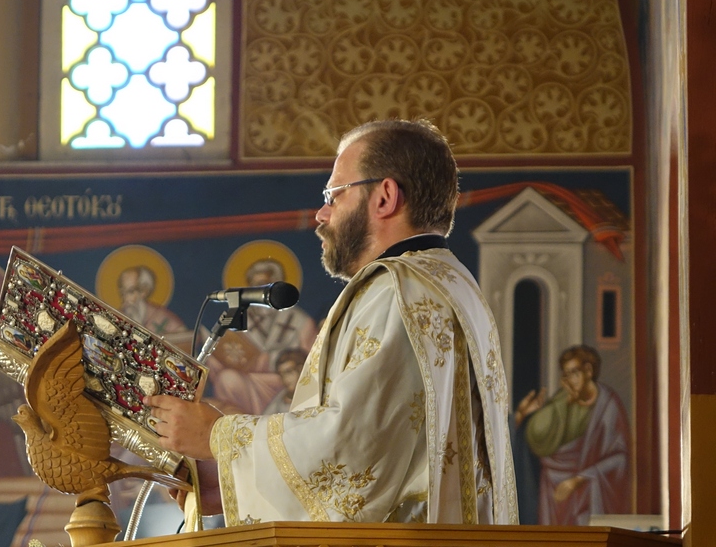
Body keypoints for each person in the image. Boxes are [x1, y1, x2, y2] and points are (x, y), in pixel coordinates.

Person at [147, 119, 518, 525]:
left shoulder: (396, 289)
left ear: (385, 196)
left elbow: (349, 450)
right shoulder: (452, 283)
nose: (322, 214)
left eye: (334, 194)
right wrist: (229, 477)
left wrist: (219, 437)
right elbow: (395, 455)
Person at [514, 345, 630, 525]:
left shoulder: (608, 406)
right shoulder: (564, 398)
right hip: (552, 489)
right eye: (566, 375)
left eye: (574, 373)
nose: (569, 381)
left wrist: (578, 479)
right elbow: (537, 437)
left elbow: (619, 458)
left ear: (588, 371)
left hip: (584, 491)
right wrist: (527, 416)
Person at [211, 260, 318, 415]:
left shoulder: (300, 321)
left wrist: (270, 360)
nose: (259, 292)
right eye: (254, 286)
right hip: (250, 382)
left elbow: (314, 361)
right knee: (226, 378)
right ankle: (240, 430)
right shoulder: (241, 318)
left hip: (283, 379)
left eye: (264, 285)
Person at [118, 266, 187, 336]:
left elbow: (184, 338)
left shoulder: (162, 317)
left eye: (130, 291)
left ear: (144, 291)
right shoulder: (118, 317)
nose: (125, 299)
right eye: (122, 293)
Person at [262, 348, 306, 415]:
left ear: (301, 369)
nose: (285, 379)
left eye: (288, 372)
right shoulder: (279, 401)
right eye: (281, 375)